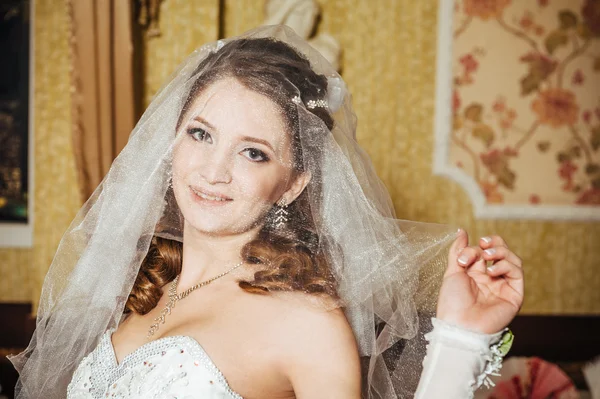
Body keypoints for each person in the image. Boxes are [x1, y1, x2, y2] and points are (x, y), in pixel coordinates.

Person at [9, 26, 524, 399]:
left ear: (292, 184)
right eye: (201, 134)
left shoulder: (307, 323)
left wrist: (461, 338)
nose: (214, 170)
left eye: (253, 151)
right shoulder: (136, 288)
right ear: (171, 143)